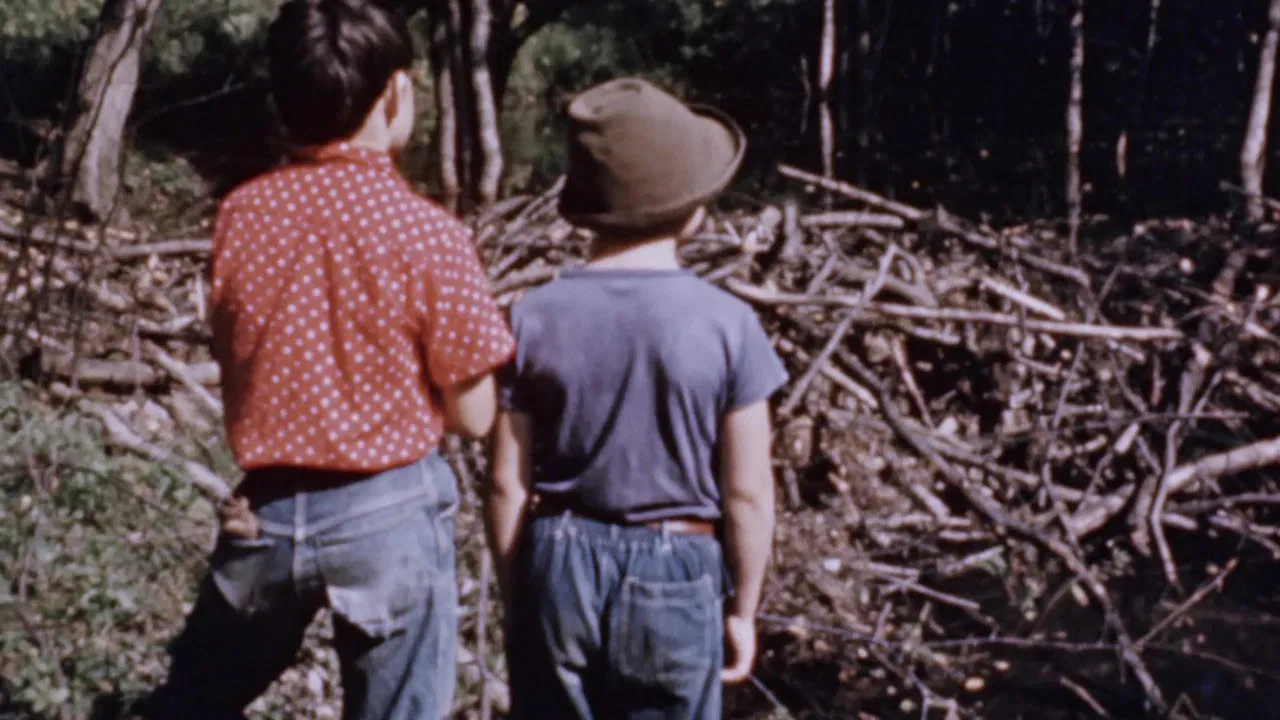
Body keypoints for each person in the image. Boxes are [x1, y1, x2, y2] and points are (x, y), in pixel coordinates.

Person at [142, 1, 514, 718]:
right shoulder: (425, 231)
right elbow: (472, 415)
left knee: (191, 701)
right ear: (398, 94)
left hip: (269, 507)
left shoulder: (241, 215)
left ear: (283, 102)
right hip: (389, 509)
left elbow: (238, 349)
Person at [484, 77, 788, 720]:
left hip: (559, 560)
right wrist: (743, 610)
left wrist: (520, 596)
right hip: (678, 570)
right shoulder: (729, 325)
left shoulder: (531, 316)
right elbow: (748, 494)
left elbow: (507, 485)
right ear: (695, 207)